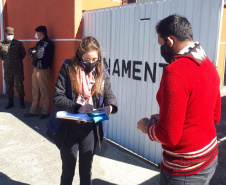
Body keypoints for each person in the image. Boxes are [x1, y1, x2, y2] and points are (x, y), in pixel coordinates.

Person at [137, 14, 221, 185]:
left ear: (170, 41)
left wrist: (147, 127)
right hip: (209, 158)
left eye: (161, 44)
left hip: (185, 170)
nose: (161, 49)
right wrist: (168, 117)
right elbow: (213, 116)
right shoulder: (208, 64)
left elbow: (168, 136)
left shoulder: (175, 72)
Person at [53, 36, 118, 185]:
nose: (91, 63)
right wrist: (78, 108)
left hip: (90, 129)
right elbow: (58, 97)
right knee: (68, 172)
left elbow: (109, 95)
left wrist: (110, 107)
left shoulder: (101, 71)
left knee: (86, 173)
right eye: (87, 59)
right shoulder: (68, 68)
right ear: (79, 56)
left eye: (94, 59)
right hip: (69, 128)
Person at [24, 25, 54, 119]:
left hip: (43, 70)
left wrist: (33, 52)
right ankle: (33, 110)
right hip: (36, 68)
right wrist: (32, 52)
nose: (36, 34)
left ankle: (46, 112)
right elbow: (30, 50)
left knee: (44, 91)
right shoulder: (40, 43)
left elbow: (39, 55)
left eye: (37, 33)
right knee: (35, 90)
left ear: (41, 33)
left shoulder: (46, 43)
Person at [0, 27, 26, 109]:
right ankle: (10, 102)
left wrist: (17, 61)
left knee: (19, 85)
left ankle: (22, 102)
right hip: (7, 68)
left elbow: (23, 54)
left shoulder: (18, 43)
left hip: (18, 68)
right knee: (9, 85)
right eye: (8, 34)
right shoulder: (2, 44)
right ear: (5, 34)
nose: (10, 35)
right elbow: (1, 56)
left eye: (11, 34)